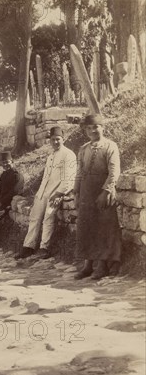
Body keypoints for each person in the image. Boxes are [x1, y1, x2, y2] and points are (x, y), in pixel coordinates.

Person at [16, 126, 77, 259]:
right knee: (34, 217)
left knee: (48, 217)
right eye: (53, 140)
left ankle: (44, 248)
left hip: (56, 192)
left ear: (63, 139)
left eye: (58, 139)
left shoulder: (69, 154)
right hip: (43, 192)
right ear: (50, 141)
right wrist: (38, 194)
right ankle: (28, 246)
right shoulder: (50, 156)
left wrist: (60, 193)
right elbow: (45, 177)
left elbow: (69, 177)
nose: (55, 142)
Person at [73, 114, 122, 280]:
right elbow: (79, 173)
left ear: (102, 127)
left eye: (96, 127)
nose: (93, 130)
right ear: (85, 131)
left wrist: (106, 191)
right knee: (86, 227)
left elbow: (114, 171)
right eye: (89, 128)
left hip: (103, 193)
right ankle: (88, 264)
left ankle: (102, 265)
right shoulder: (83, 149)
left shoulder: (110, 146)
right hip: (86, 192)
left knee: (103, 227)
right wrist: (76, 193)